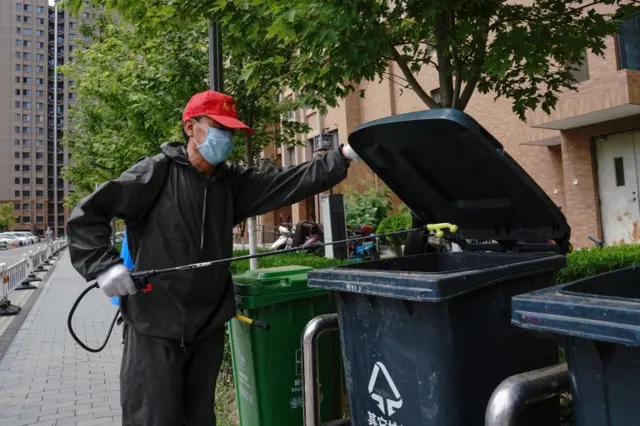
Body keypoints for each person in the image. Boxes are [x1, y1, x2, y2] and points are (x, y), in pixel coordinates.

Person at [66, 90, 360, 426]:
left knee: (200, 418)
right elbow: (88, 213)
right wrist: (104, 265)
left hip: (207, 326)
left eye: (231, 131)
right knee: (152, 417)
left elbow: (288, 181)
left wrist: (342, 155)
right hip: (154, 325)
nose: (227, 138)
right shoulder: (155, 173)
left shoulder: (231, 184)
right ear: (190, 127)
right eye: (218, 127)